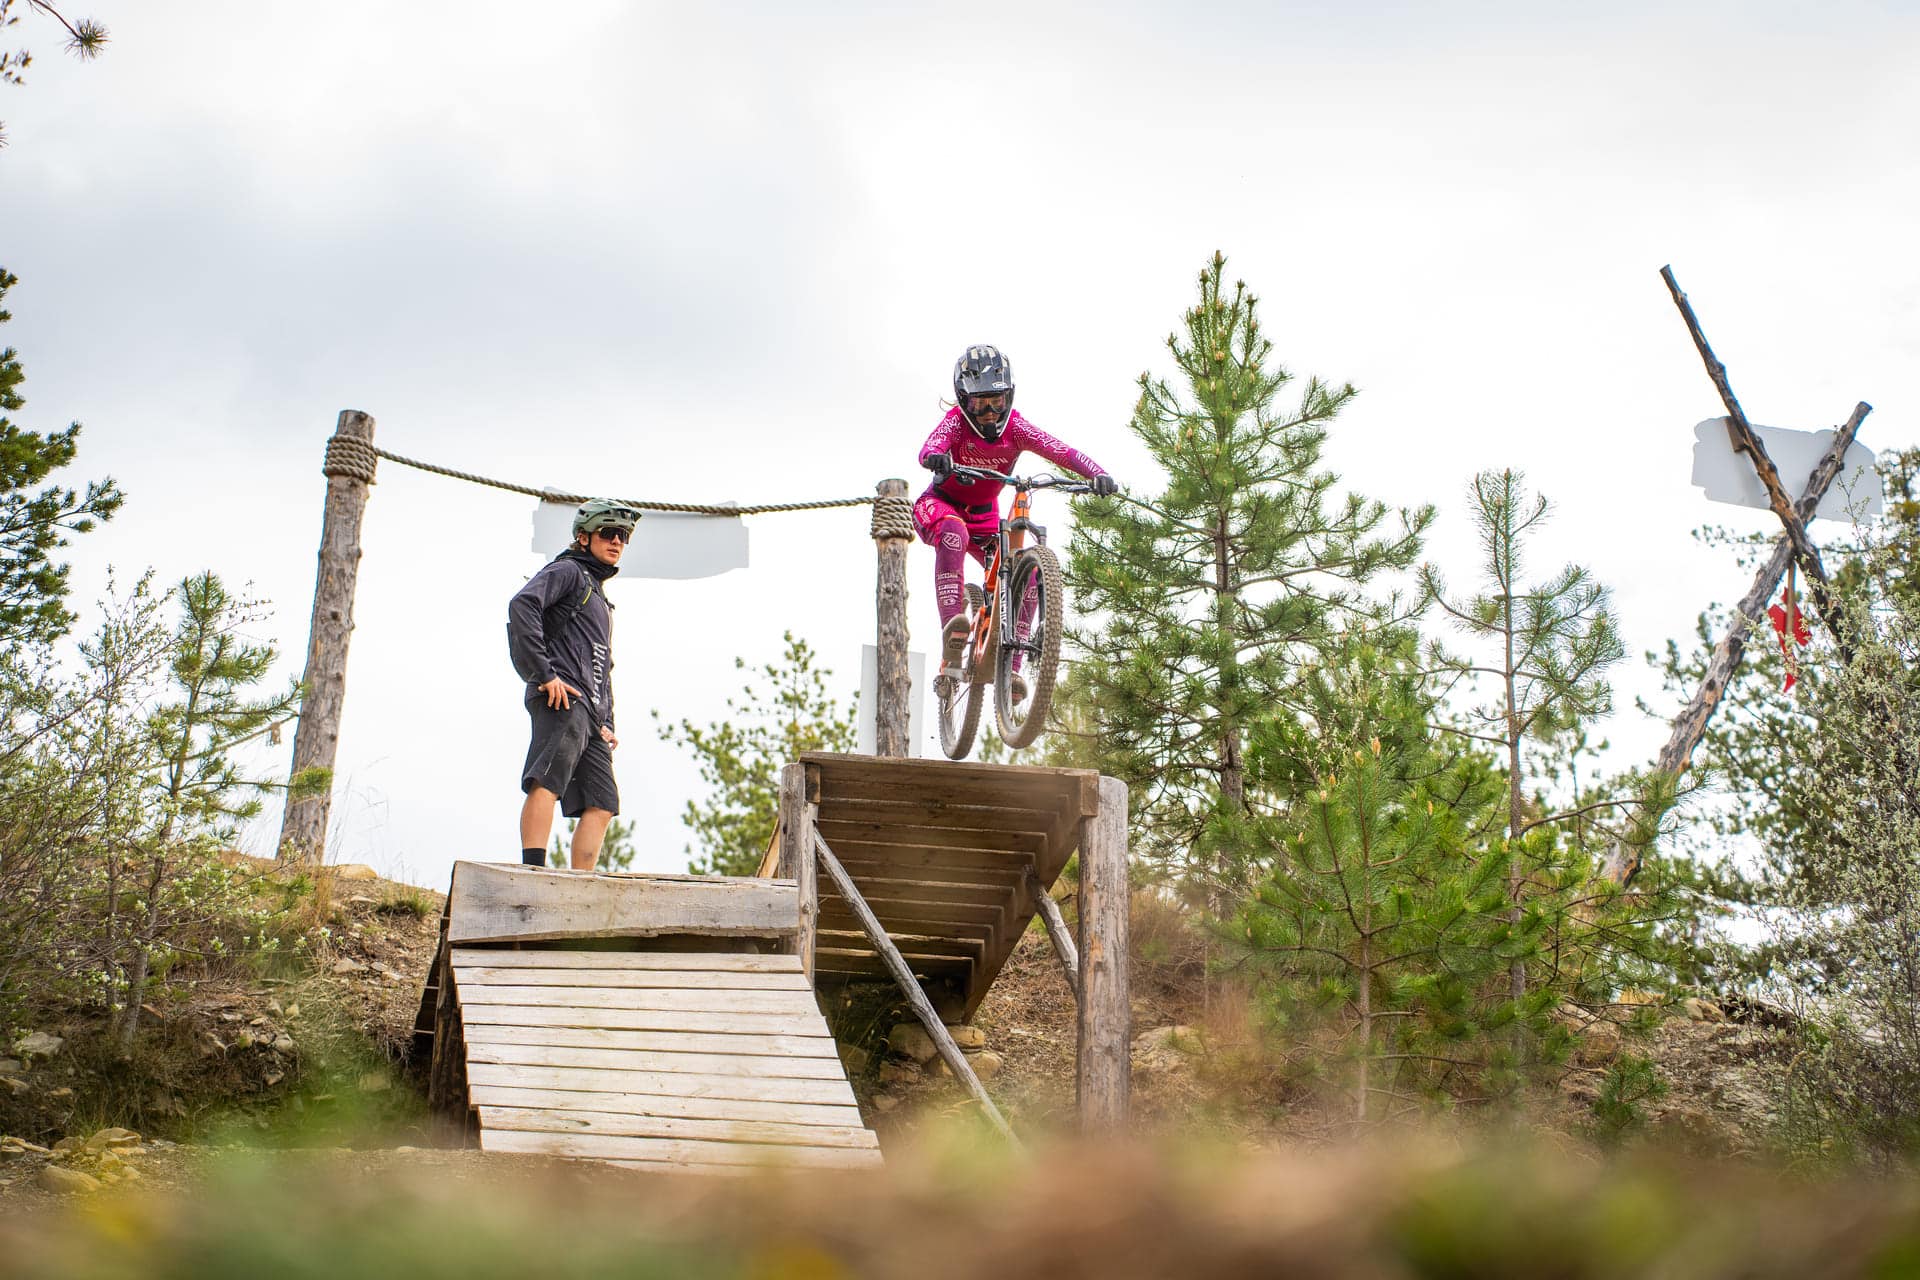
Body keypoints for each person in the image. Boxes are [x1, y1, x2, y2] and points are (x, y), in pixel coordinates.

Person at [915, 344, 1118, 686]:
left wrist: (1097, 473)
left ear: (1009, 396)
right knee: (953, 532)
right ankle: (952, 632)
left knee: (1031, 577)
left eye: (997, 401)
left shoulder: (1017, 428)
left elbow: (1061, 451)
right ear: (964, 401)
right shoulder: (955, 423)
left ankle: (1012, 672)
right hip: (940, 505)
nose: (989, 412)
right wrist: (936, 458)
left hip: (985, 518)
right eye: (980, 404)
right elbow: (929, 448)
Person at [507, 498, 640, 870]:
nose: (617, 542)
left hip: (590, 712)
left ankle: (580, 886)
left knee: (602, 802)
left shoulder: (597, 594)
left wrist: (606, 720)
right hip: (561, 696)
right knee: (547, 779)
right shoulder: (568, 571)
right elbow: (523, 605)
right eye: (609, 533)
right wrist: (545, 674)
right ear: (584, 537)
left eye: (624, 536)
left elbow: (602, 663)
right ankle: (533, 871)